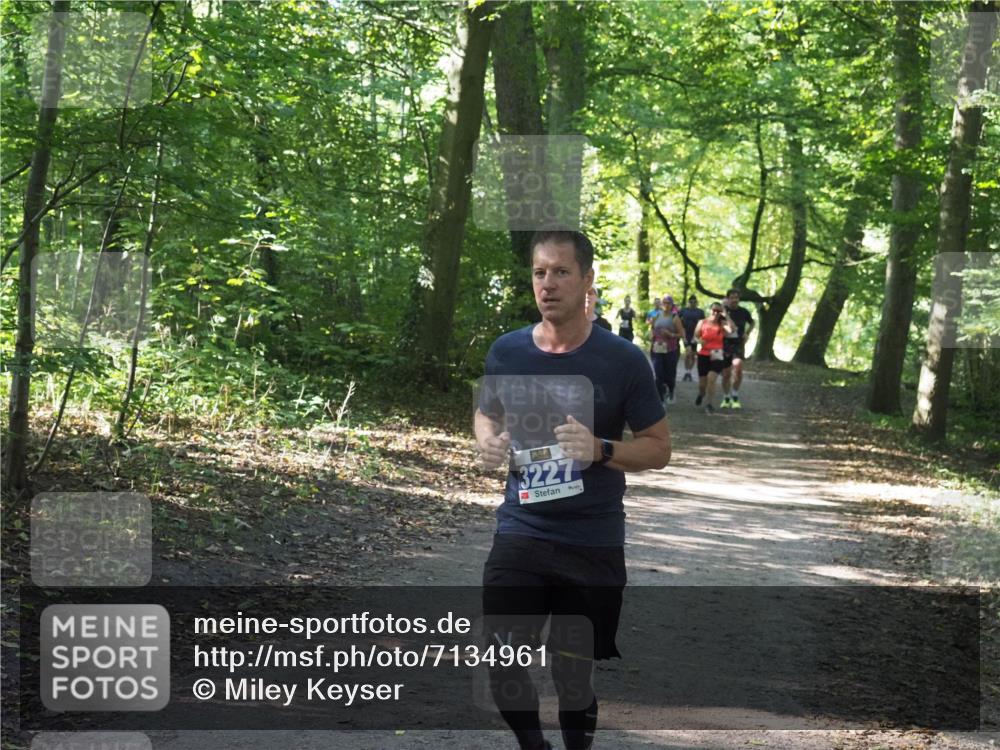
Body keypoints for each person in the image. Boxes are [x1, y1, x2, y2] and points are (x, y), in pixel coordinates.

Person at [475, 229, 671, 750]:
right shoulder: (508, 350)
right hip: (522, 528)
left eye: (562, 272)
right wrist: (490, 441)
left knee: (572, 676)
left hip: (591, 539)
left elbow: (658, 447)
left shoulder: (624, 360)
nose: (549, 284)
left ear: (587, 279)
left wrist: (601, 449)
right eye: (540, 272)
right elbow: (485, 412)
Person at [693, 301, 735, 414]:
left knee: (711, 379)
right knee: (703, 384)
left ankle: (709, 404)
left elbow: (732, 330)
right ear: (710, 310)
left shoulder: (722, 324)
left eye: (718, 311)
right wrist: (699, 341)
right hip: (703, 355)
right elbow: (696, 336)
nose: (716, 313)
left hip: (717, 355)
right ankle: (701, 394)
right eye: (714, 310)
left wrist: (726, 316)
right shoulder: (702, 322)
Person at [720, 288, 754, 409]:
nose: (735, 300)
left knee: (738, 368)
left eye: (737, 298)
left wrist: (747, 333)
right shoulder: (722, 311)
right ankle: (726, 397)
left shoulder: (744, 311)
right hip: (724, 344)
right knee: (726, 374)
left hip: (738, 343)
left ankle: (735, 395)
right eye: (732, 297)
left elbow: (752, 322)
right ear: (727, 298)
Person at [650, 295, 684, 405]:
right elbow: (651, 329)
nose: (666, 305)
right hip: (656, 348)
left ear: (671, 305)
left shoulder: (675, 317)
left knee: (669, 374)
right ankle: (660, 398)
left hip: (671, 349)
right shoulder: (656, 316)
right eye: (664, 302)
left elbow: (682, 334)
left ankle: (671, 390)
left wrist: (671, 334)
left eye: (668, 303)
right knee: (658, 373)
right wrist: (651, 336)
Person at [678, 295, 705, 382]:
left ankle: (688, 372)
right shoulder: (683, 310)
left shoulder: (700, 312)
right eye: (691, 302)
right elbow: (677, 321)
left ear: (696, 302)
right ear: (688, 302)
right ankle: (686, 371)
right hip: (686, 334)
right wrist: (681, 334)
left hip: (695, 335)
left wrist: (699, 336)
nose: (693, 303)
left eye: (694, 302)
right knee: (688, 353)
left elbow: (703, 324)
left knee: (693, 354)